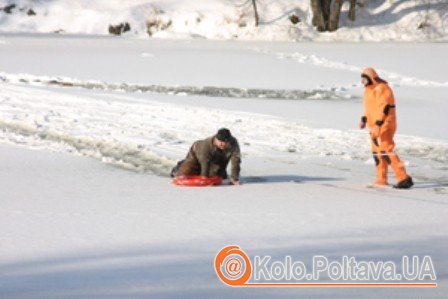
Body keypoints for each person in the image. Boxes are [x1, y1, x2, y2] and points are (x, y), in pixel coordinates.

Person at [359, 67, 413, 189]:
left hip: (385, 124)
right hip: (373, 126)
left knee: (386, 150)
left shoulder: (382, 88)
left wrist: (379, 124)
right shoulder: (369, 90)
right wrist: (364, 119)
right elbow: (370, 109)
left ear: (370, 78)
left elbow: (385, 108)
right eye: (361, 79)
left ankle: (403, 177)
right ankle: (381, 178)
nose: (362, 82)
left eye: (364, 79)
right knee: (377, 153)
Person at [171, 128, 241, 185]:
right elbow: (205, 162)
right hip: (197, 153)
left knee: (217, 175)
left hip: (217, 157)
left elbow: (236, 161)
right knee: (185, 172)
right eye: (220, 141)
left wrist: (234, 178)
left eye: (225, 142)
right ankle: (179, 166)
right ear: (216, 139)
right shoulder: (206, 144)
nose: (222, 144)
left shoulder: (233, 144)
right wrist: (204, 178)